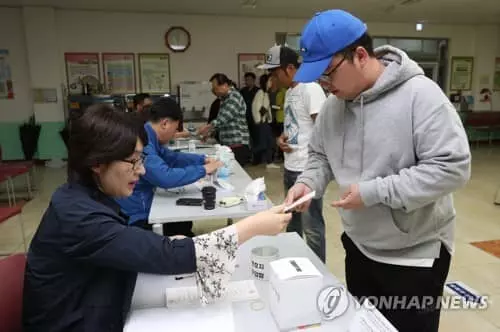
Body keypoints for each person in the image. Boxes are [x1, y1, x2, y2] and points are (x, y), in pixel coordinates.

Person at [22, 104, 292, 332]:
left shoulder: (83, 196)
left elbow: (123, 244)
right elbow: (168, 256)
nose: (140, 172)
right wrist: (254, 225)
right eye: (133, 162)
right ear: (97, 163)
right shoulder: (79, 218)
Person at [286, 9, 471, 332]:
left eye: (328, 73)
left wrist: (374, 192)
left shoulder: (421, 96)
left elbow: (452, 167)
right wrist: (307, 182)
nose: (325, 86)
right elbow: (319, 154)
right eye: (319, 79)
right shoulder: (333, 107)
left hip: (414, 256)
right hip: (359, 246)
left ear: (359, 55)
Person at [258, 45, 327, 262]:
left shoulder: (311, 89)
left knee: (312, 228)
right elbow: (294, 128)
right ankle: (296, 266)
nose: (272, 78)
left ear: (289, 68)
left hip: (307, 171)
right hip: (291, 168)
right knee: (292, 224)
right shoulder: (289, 92)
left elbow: (325, 131)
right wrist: (282, 139)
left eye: (274, 72)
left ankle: (318, 274)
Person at [116, 97, 222, 237]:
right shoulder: (143, 141)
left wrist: (202, 160)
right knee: (182, 218)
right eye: (175, 129)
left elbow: (171, 157)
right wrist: (203, 170)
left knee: (184, 219)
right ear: (165, 123)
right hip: (139, 215)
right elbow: (165, 177)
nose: (174, 135)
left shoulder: (149, 134)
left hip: (147, 201)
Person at [198, 73, 251, 166]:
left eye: (215, 88)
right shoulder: (224, 99)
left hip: (237, 143)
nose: (214, 91)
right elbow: (222, 123)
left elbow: (224, 118)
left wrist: (208, 127)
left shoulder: (234, 97)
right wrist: (210, 133)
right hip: (229, 144)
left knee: (235, 175)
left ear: (225, 85)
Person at [251, 74, 279, 168]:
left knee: (270, 142)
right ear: (266, 82)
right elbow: (256, 107)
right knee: (263, 144)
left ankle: (269, 162)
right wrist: (259, 119)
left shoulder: (266, 93)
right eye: (270, 80)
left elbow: (266, 108)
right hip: (262, 122)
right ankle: (249, 153)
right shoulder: (260, 93)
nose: (271, 82)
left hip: (266, 121)